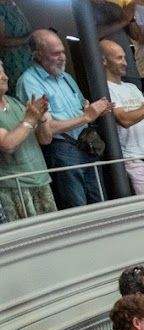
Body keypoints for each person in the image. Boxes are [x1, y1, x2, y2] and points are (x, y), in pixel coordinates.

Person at [13, 30, 111, 209]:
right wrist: (87, 116)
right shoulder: (29, 81)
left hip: (86, 144)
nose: (62, 57)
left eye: (63, 51)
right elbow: (48, 127)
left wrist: (94, 110)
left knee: (100, 203)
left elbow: (83, 107)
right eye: (55, 53)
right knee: (77, 207)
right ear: (38, 55)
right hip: (62, 149)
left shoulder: (66, 77)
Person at [102, 40, 144, 196]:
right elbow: (125, 120)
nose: (125, 63)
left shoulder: (131, 87)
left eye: (125, 58)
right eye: (119, 58)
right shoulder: (105, 88)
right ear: (104, 61)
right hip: (133, 160)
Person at [0, 59, 55, 221]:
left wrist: (42, 118)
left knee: (52, 236)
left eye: (3, 71)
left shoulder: (15, 103)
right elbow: (8, 144)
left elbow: (45, 139)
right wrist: (30, 119)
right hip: (14, 187)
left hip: (41, 180)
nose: (5, 77)